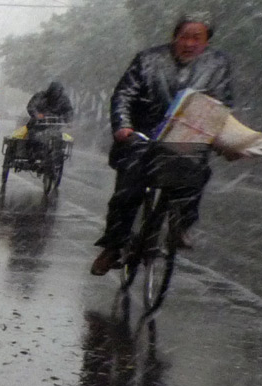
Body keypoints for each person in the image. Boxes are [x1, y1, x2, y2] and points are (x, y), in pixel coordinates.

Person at [90, 12, 234, 276]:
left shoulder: (217, 64)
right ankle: (113, 244)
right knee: (128, 189)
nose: (189, 43)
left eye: (197, 38)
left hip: (187, 137)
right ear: (175, 37)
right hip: (143, 136)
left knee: (196, 173)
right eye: (184, 37)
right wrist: (123, 126)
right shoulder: (148, 60)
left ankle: (181, 226)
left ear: (207, 42)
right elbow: (124, 95)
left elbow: (222, 102)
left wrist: (217, 133)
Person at [25, 81, 74, 161]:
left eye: (58, 92)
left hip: (55, 126)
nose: (55, 94)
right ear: (50, 90)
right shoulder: (40, 96)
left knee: (59, 138)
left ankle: (56, 157)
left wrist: (68, 120)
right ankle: (31, 156)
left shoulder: (64, 100)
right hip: (37, 125)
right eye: (54, 91)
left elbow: (68, 110)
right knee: (33, 136)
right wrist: (37, 115)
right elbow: (31, 106)